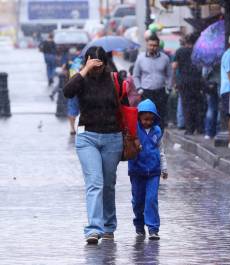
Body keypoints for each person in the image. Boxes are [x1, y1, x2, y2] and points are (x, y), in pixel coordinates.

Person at [63, 46, 127, 244]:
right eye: (93, 65)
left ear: (105, 64)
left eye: (99, 66)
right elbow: (67, 92)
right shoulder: (81, 80)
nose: (96, 70)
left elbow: (126, 103)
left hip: (112, 137)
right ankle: (93, 229)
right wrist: (85, 70)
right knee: (95, 183)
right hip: (87, 137)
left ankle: (108, 226)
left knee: (108, 185)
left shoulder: (113, 79)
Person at [128, 99, 168, 240]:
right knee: (138, 200)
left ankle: (153, 228)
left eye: (151, 119)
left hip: (153, 171)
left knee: (151, 199)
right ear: (139, 117)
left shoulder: (157, 131)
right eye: (145, 119)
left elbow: (161, 150)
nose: (148, 122)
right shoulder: (133, 129)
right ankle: (139, 225)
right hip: (136, 171)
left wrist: (164, 168)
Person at [133, 34, 171, 130]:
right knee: (146, 117)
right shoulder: (140, 58)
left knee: (160, 116)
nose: (152, 48)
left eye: (154, 45)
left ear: (158, 46)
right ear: (147, 45)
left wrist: (169, 88)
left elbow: (170, 75)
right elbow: (136, 75)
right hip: (146, 92)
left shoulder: (165, 58)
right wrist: (139, 88)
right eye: (150, 45)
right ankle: (146, 138)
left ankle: (159, 137)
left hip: (161, 91)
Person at [172, 34, 203, 135]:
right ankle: (199, 127)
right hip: (197, 81)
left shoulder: (180, 51)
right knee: (198, 104)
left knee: (187, 105)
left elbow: (174, 66)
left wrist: (174, 81)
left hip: (184, 81)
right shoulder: (198, 51)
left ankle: (189, 129)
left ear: (186, 41)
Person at [202, 64, 220, 139]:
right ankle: (218, 131)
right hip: (221, 85)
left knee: (211, 108)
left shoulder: (208, 60)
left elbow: (204, 74)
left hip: (211, 85)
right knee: (220, 109)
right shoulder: (222, 58)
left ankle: (209, 132)